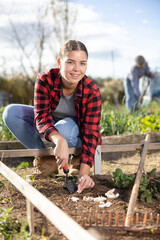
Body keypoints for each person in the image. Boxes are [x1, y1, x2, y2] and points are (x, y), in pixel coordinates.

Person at [3, 40, 102, 193]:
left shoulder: (92, 91)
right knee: (11, 113)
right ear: (59, 62)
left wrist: (83, 174)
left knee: (63, 129)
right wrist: (58, 139)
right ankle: (46, 160)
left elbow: (91, 133)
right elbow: (42, 116)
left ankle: (77, 156)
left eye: (82, 63)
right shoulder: (45, 79)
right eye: (70, 62)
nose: (77, 69)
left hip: (73, 129)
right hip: (53, 124)